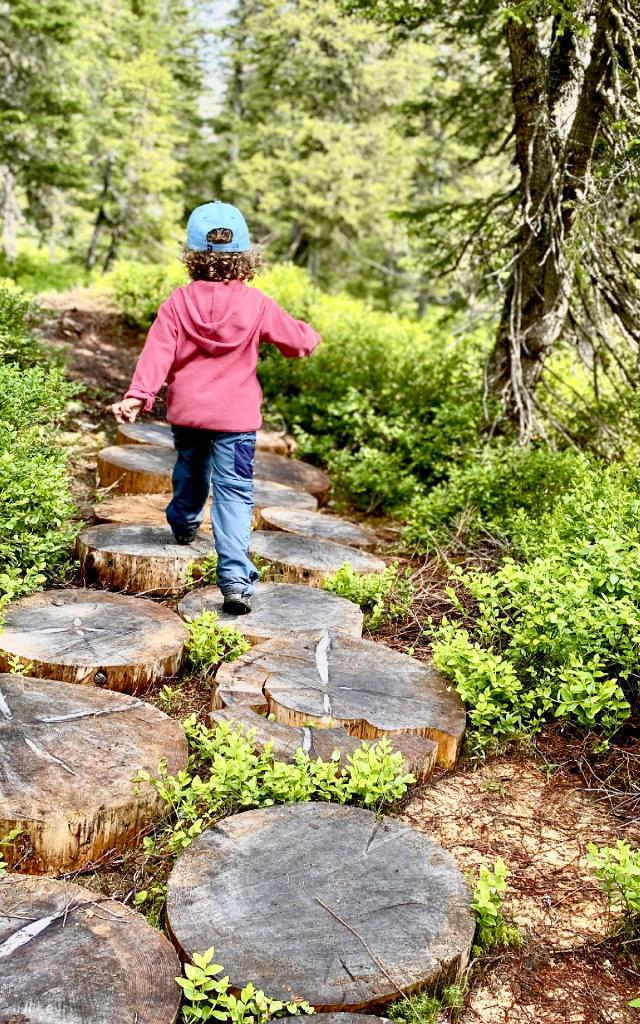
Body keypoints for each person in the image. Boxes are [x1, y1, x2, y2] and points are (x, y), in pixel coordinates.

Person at [111, 200, 320, 614]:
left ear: (193, 256)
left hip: (189, 412)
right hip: (236, 420)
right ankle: (235, 580)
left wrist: (139, 394)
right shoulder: (256, 304)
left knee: (190, 469)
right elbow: (296, 341)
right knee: (235, 492)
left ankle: (183, 521)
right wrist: (309, 336)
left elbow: (158, 352)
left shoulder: (177, 302)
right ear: (244, 257)